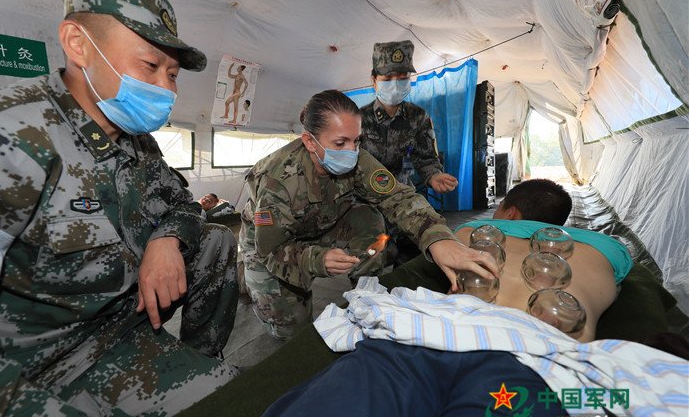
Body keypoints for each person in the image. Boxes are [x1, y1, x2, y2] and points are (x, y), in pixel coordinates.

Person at [0, 0, 239, 417]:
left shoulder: (137, 144)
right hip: (14, 380)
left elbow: (180, 203)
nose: (166, 89)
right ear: (77, 43)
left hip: (115, 334)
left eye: (173, 75)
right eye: (150, 66)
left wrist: (166, 240)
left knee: (234, 408)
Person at [205, 278, 688, 417]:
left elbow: (620, 396)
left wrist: (603, 401)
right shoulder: (600, 265)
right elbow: (619, 400)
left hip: (469, 352)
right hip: (442, 346)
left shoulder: (601, 269)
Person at [238, 89, 498, 340]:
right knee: (292, 332)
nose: (352, 151)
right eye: (340, 143)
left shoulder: (357, 159)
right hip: (271, 244)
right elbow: (270, 249)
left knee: (370, 220)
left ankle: (364, 290)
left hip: (322, 221)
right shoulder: (276, 181)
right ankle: (246, 276)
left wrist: (438, 239)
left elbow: (398, 197)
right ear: (309, 141)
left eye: (357, 140)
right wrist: (316, 259)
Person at [379, 179, 632, 341]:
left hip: (459, 335)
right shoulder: (607, 248)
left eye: (498, 208)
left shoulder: (470, 231)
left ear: (510, 213)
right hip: (557, 351)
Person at [358, 40, 458, 194]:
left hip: (402, 194)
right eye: (387, 79)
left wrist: (434, 175)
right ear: (374, 81)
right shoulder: (359, 118)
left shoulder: (418, 117)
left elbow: (426, 158)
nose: (395, 86)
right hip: (365, 195)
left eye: (402, 79)